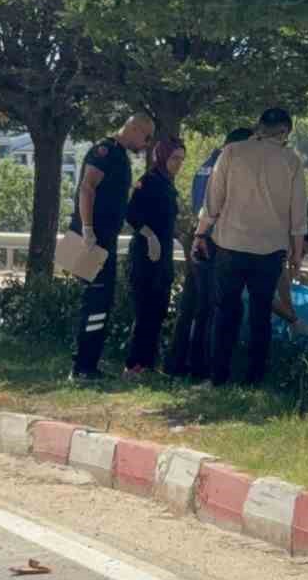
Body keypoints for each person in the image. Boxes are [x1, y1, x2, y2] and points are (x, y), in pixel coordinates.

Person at [193, 108, 307, 385]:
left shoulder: (232, 152)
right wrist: (296, 253)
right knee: (261, 314)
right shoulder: (291, 161)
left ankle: (218, 376)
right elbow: (298, 215)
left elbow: (213, 201)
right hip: (270, 250)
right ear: (284, 131)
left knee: (225, 312)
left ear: (259, 126)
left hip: (230, 244)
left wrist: (200, 233)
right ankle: (254, 379)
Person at [68, 114, 155, 384]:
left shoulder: (120, 155)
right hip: (91, 239)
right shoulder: (104, 151)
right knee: (96, 301)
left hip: (103, 239)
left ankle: (88, 363)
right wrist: (88, 229)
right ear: (134, 128)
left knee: (99, 301)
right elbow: (87, 188)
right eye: (146, 137)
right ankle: (83, 367)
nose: (147, 144)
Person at [166, 127, 251, 380]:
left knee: (193, 304)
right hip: (215, 242)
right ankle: (201, 367)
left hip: (200, 239)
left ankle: (177, 363)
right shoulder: (225, 168)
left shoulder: (205, 165)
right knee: (212, 307)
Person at [124, 138, 186, 377]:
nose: (178, 163)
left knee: (158, 308)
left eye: (181, 159)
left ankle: (148, 364)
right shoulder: (149, 181)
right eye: (174, 158)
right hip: (145, 253)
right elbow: (131, 214)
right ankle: (134, 365)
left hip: (164, 255)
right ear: (162, 157)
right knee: (145, 310)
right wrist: (149, 235)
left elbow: (168, 221)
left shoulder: (168, 184)